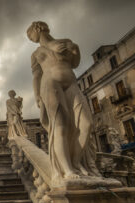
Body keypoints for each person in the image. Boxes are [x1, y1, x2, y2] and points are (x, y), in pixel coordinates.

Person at [27, 21, 100, 182]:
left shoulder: (65, 42)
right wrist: (37, 96)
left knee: (86, 124)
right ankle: (67, 170)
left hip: (71, 83)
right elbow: (36, 76)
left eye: (30, 34)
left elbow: (75, 63)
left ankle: (75, 162)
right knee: (59, 126)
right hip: (50, 83)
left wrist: (75, 49)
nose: (31, 38)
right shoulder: (36, 54)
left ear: (37, 28)